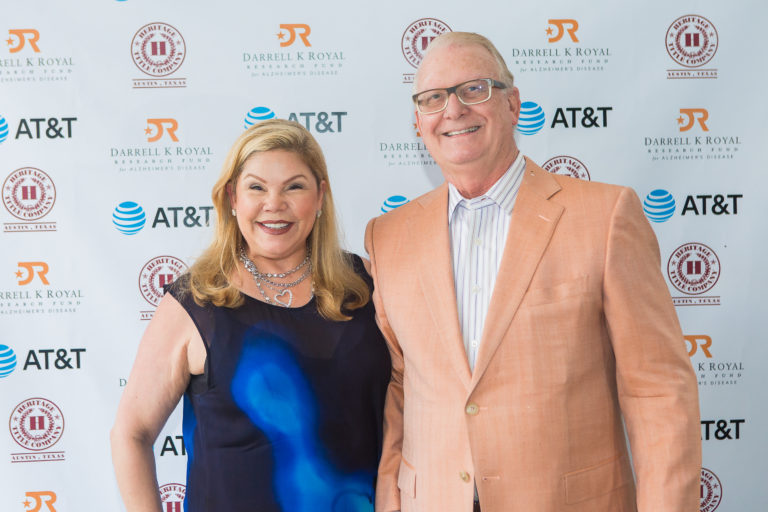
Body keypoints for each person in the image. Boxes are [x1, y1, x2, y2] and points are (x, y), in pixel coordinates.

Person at [364, 32, 701, 512]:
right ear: (418, 122)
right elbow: (401, 387)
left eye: (474, 89)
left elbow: (658, 391)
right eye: (433, 98)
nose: (453, 109)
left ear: (512, 104)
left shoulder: (606, 217)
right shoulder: (388, 236)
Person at [111, 119, 390, 512]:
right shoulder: (196, 302)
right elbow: (131, 433)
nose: (274, 204)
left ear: (320, 197)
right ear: (232, 198)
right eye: (256, 187)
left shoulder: (367, 285)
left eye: (294, 187)